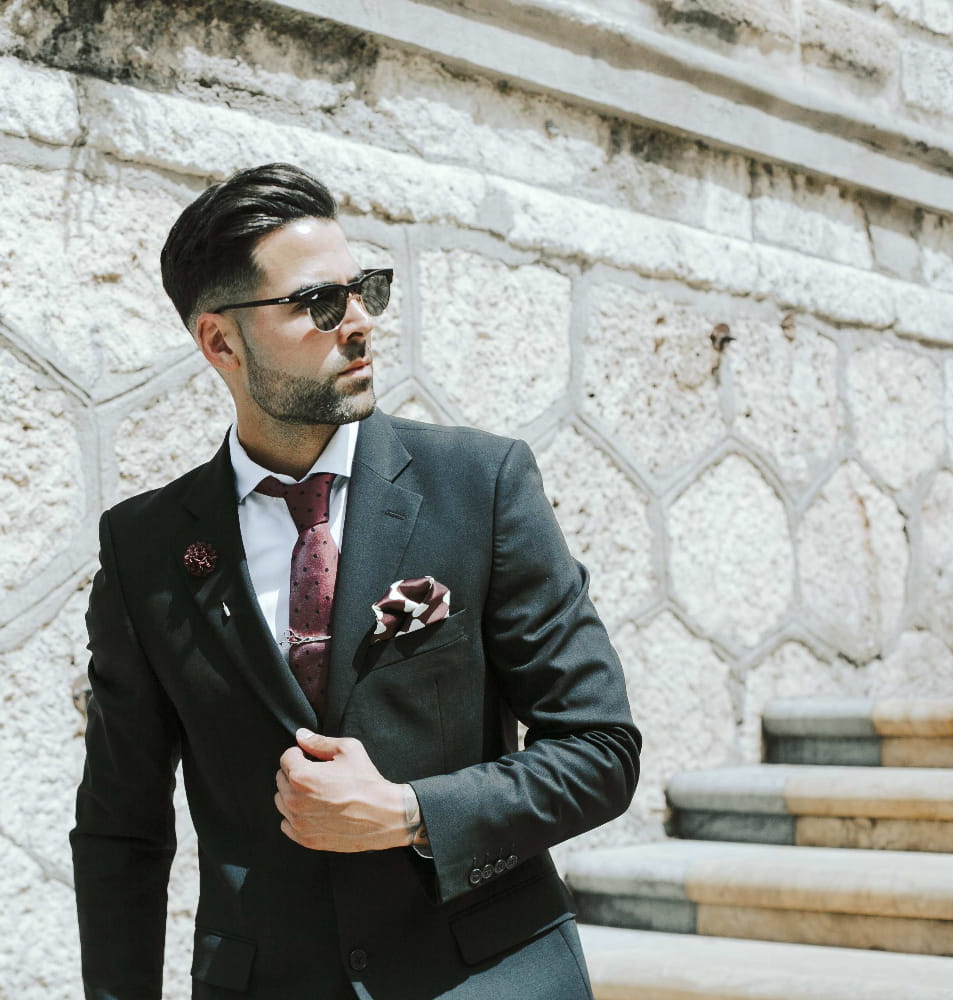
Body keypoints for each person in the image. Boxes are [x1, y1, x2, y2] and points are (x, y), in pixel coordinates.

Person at [71, 162, 641, 1000]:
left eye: (363, 289)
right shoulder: (146, 548)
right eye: (317, 303)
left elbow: (599, 751)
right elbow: (121, 828)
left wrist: (411, 814)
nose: (361, 322)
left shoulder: (479, 487)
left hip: (485, 974)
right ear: (221, 342)